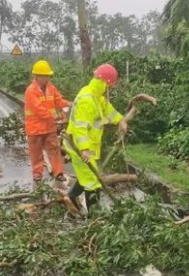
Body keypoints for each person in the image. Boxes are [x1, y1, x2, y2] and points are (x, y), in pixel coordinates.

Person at [64, 63, 128, 213]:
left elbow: (108, 110)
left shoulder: (96, 95)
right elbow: (80, 128)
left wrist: (121, 120)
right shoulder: (88, 100)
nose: (109, 90)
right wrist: (84, 150)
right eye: (109, 86)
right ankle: (95, 218)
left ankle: (70, 197)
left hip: (87, 146)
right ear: (104, 83)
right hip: (78, 146)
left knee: (86, 175)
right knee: (93, 181)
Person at [25, 60, 70, 191]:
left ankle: (59, 173)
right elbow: (38, 109)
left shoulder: (51, 87)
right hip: (35, 128)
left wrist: (67, 105)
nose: (48, 78)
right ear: (37, 76)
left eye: (48, 75)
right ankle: (37, 175)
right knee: (36, 154)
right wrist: (55, 116)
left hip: (49, 127)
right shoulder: (30, 91)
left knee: (55, 150)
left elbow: (59, 100)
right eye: (46, 75)